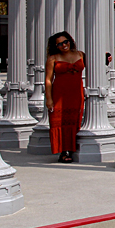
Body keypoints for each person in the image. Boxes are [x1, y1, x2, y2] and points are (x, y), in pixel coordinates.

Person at [45, 31, 86, 163]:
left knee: (75, 120)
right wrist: (49, 99)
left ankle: (73, 148)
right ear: (55, 46)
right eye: (60, 44)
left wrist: (107, 57)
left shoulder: (80, 54)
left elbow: (97, 62)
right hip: (59, 94)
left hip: (76, 93)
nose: (64, 45)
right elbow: (48, 80)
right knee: (60, 121)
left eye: (66, 41)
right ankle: (64, 152)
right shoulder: (52, 59)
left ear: (70, 41)